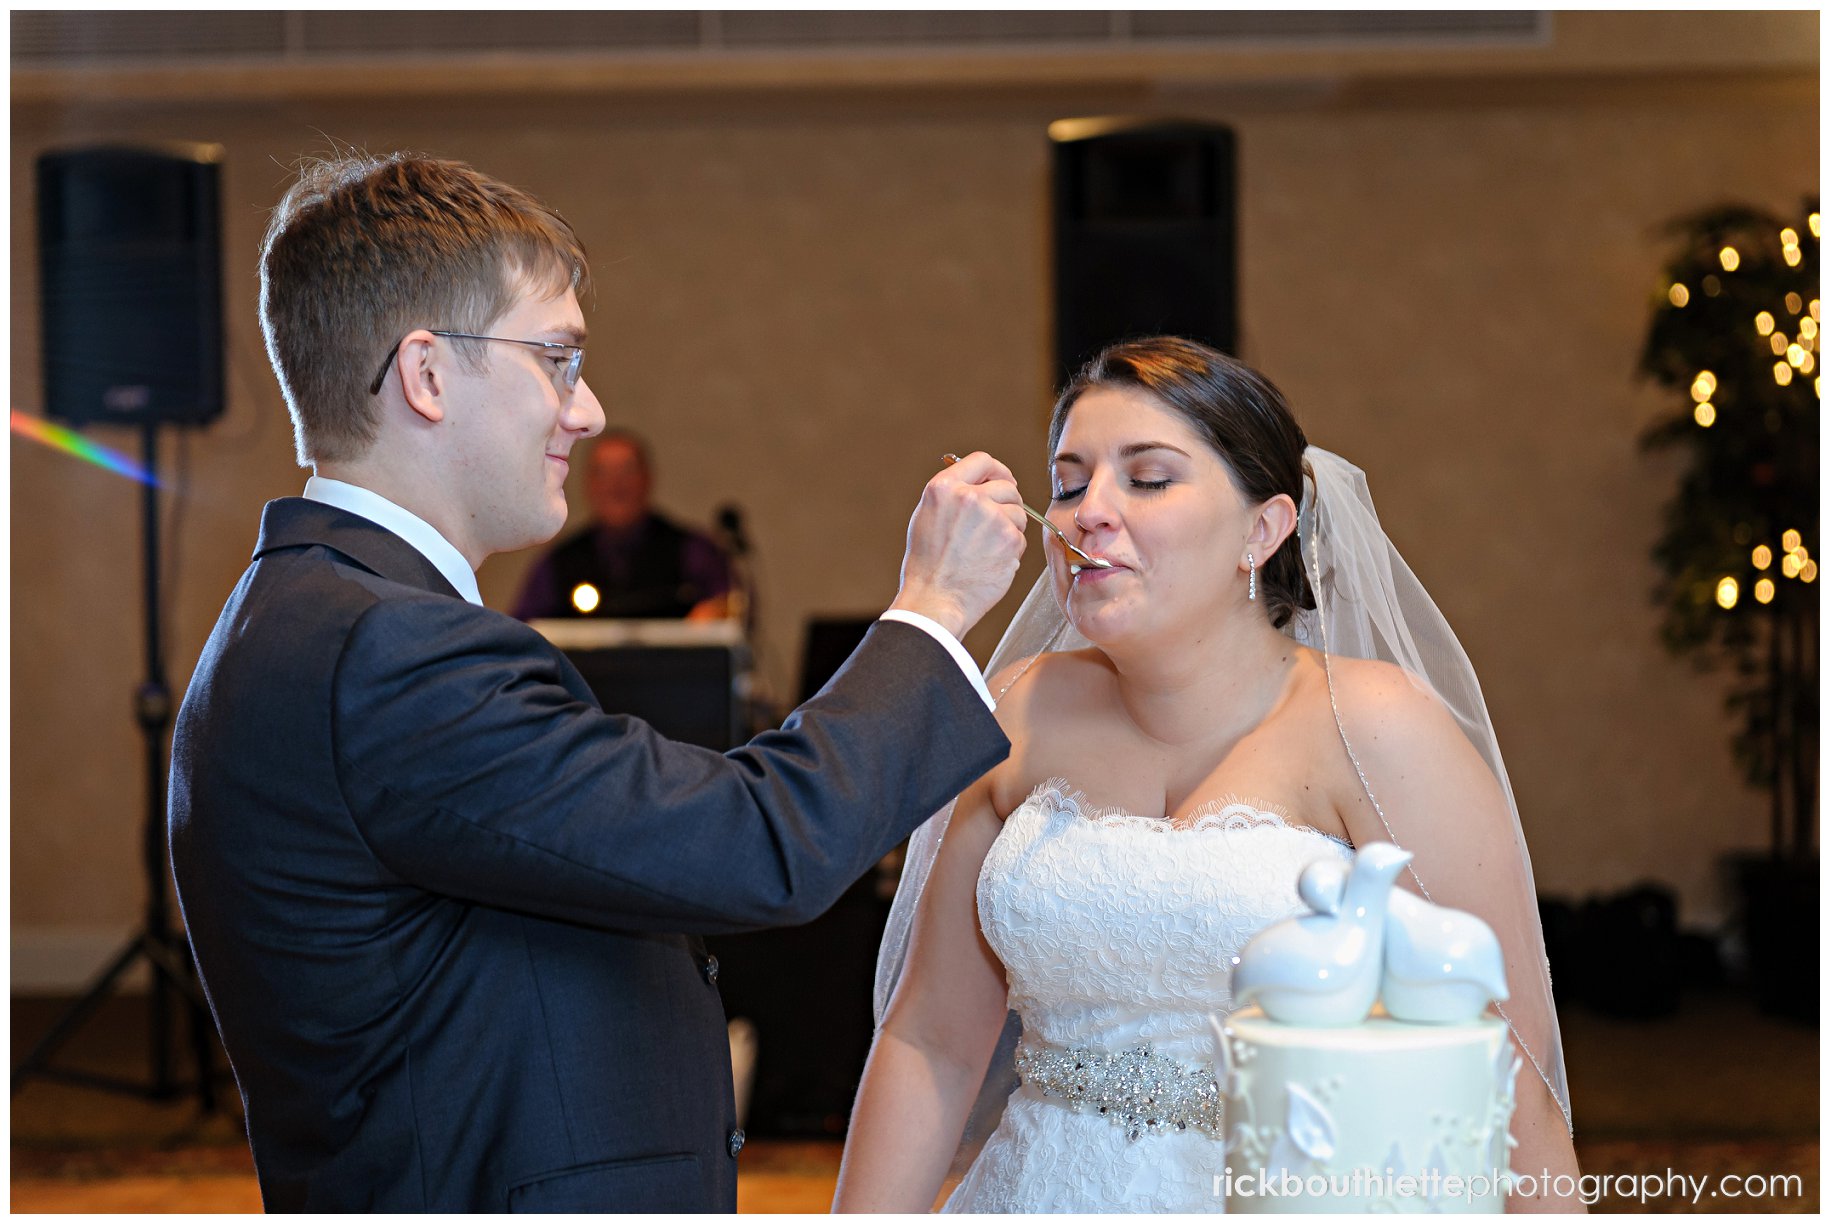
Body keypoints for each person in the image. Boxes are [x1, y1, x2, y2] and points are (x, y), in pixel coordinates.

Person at [166, 152, 1029, 1212]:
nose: (587, 410)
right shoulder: (386, 652)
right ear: (428, 375)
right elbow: (757, 845)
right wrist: (933, 607)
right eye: (558, 360)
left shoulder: (303, 614)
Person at [833, 337, 1583, 1212]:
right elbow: (933, 1041)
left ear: (1262, 530)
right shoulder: (1017, 714)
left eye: (1147, 478)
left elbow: (1506, 1072)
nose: (1087, 515)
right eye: (1069, 484)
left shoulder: (1376, 727)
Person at [510, 429, 735, 621]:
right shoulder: (559, 561)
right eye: (604, 473)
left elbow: (732, 605)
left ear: (647, 478)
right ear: (588, 485)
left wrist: (716, 612)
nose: (615, 485)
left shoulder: (690, 550)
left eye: (627, 471)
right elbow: (524, 627)